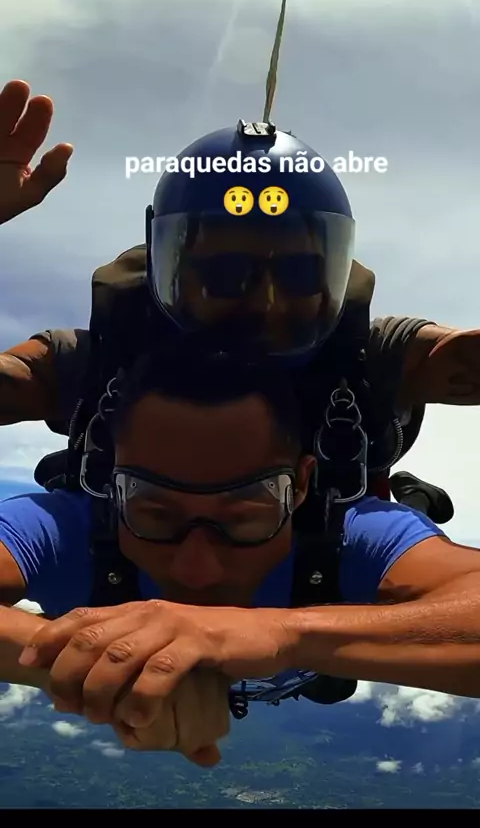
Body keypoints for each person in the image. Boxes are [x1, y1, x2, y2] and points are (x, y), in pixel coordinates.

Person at [0, 79, 464, 521]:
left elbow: (454, 355)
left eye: (300, 273)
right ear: (168, 269)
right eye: (224, 274)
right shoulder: (101, 358)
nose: (267, 303)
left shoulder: (371, 357)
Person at [1, 347, 480, 765]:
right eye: (153, 512)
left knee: (332, 678)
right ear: (111, 486)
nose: (197, 569)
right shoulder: (63, 526)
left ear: (302, 486)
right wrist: (105, 660)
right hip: (302, 665)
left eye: (246, 514)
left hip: (302, 659)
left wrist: (282, 634)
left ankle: (414, 499)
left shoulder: (350, 533)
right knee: (332, 677)